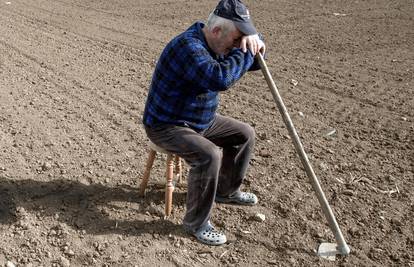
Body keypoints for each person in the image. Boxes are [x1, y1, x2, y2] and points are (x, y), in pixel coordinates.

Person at [142, 0, 265, 246]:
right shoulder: (188, 47)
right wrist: (244, 51)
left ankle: (226, 191)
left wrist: (255, 42)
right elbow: (220, 78)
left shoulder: (217, 42)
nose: (237, 45)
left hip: (198, 120)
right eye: (236, 39)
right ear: (217, 31)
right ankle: (196, 224)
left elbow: (256, 62)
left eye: (242, 39)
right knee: (208, 154)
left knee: (244, 134)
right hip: (167, 124)